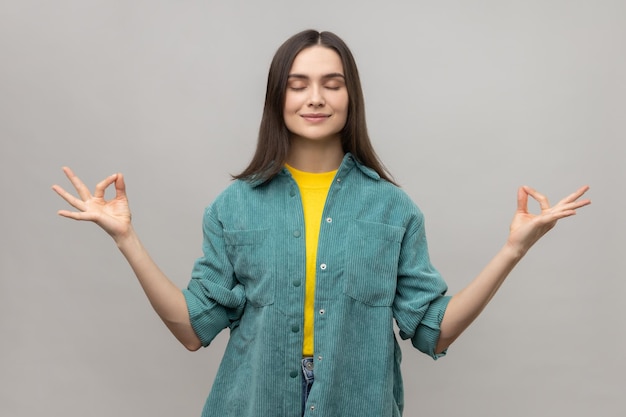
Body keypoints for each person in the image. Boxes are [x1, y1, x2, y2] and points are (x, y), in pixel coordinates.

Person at [52, 30, 591, 417]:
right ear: (277, 98)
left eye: (331, 83)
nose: (315, 97)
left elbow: (433, 331)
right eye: (298, 84)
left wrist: (512, 250)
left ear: (350, 96)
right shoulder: (233, 206)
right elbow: (194, 331)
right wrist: (126, 239)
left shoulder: (392, 210)